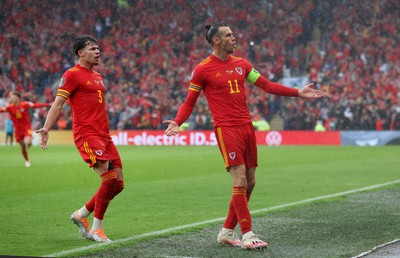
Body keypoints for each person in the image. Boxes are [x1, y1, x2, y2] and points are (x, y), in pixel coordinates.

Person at [163, 23, 327, 250]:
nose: (234, 38)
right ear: (217, 41)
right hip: (226, 128)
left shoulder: (242, 64)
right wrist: (177, 121)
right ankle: (248, 234)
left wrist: (297, 92)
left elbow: (266, 85)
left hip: (247, 127)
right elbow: (190, 101)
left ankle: (227, 231)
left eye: (233, 35)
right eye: (229, 35)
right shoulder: (202, 69)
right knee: (239, 180)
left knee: (250, 182)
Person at [36, 35, 124, 243]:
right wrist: (47, 128)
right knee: (109, 179)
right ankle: (97, 229)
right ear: (80, 53)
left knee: (118, 184)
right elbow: (58, 104)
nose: (98, 52)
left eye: (98, 48)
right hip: (87, 134)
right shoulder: (72, 75)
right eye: (93, 49)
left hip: (104, 135)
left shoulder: (98, 76)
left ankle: (81, 214)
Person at [0, 92, 50, 167]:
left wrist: (48, 105)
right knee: (23, 147)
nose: (12, 99)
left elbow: (35, 105)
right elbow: (1, 110)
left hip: (26, 128)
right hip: (17, 130)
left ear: (18, 98)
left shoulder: (24, 105)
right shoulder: (9, 107)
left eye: (14, 97)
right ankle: (27, 160)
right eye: (12, 97)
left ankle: (29, 142)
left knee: (28, 143)